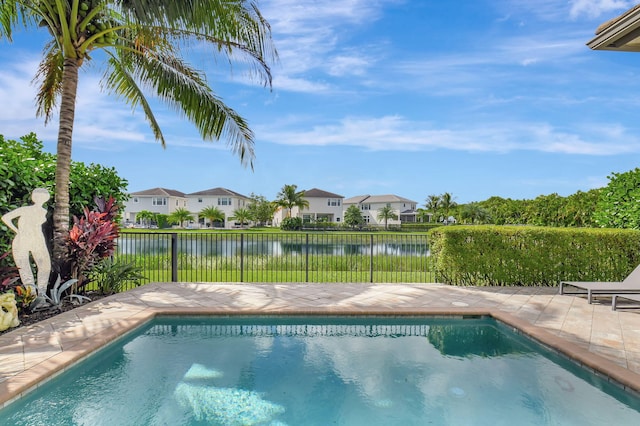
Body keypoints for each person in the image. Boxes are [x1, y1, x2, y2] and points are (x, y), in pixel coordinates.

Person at [1, 188, 52, 294]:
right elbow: (6, 217)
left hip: (37, 239)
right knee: (24, 268)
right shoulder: (25, 209)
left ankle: (41, 295)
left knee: (45, 267)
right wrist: (17, 231)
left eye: (42, 197)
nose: (40, 199)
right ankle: (31, 295)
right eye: (37, 196)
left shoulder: (44, 211)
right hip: (23, 239)